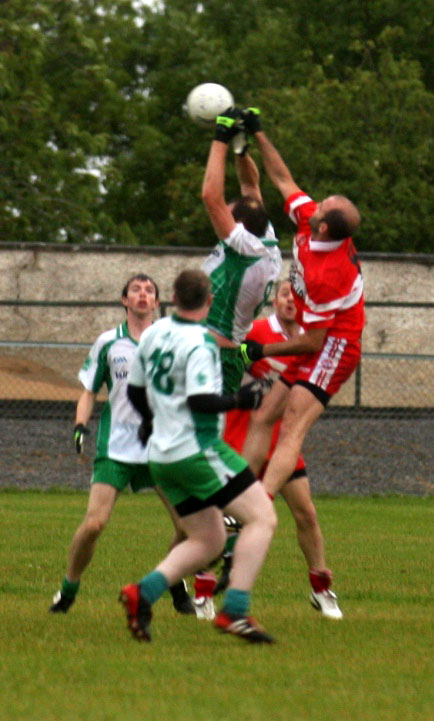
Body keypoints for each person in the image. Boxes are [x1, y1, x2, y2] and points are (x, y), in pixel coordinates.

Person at [239, 108, 365, 619]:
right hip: (313, 341)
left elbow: (313, 342)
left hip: (336, 344)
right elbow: (282, 177)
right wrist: (256, 132)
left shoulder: (330, 268)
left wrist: (261, 351)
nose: (315, 199)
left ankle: (256, 507)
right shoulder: (312, 221)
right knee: (266, 413)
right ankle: (244, 498)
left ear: (324, 222)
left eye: (324, 203)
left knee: (291, 425)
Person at [121, 269, 277, 644]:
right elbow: (200, 401)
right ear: (209, 303)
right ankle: (236, 610)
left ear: (173, 296)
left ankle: (142, 593)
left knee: (208, 539)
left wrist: (152, 421)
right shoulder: (201, 342)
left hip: (161, 456)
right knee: (262, 518)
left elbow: (135, 392)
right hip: (196, 449)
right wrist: (241, 399)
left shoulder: (154, 333)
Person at [49, 273, 194, 616]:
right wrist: (80, 425)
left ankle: (172, 580)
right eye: (135, 290)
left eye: (149, 291)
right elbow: (89, 391)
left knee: (189, 527)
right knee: (95, 523)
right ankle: (68, 589)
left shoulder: (171, 341)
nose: (143, 295)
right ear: (125, 300)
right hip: (116, 446)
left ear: (157, 303)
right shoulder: (108, 343)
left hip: (160, 446)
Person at [194, 108, 282, 617]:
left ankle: (215, 545)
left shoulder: (245, 246)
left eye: (231, 212)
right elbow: (250, 197)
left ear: (237, 228)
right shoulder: (266, 240)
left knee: (195, 461)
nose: (225, 209)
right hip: (219, 349)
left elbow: (211, 195)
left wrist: (221, 141)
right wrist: (247, 146)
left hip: (214, 354)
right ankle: (205, 548)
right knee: (190, 462)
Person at [222, 278, 343, 619]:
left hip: (284, 444)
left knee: (306, 513)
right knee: (223, 516)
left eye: (297, 295)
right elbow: (227, 364)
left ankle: (321, 589)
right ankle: (201, 589)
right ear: (273, 301)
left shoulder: (311, 337)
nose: (291, 301)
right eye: (285, 295)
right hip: (246, 440)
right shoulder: (257, 332)